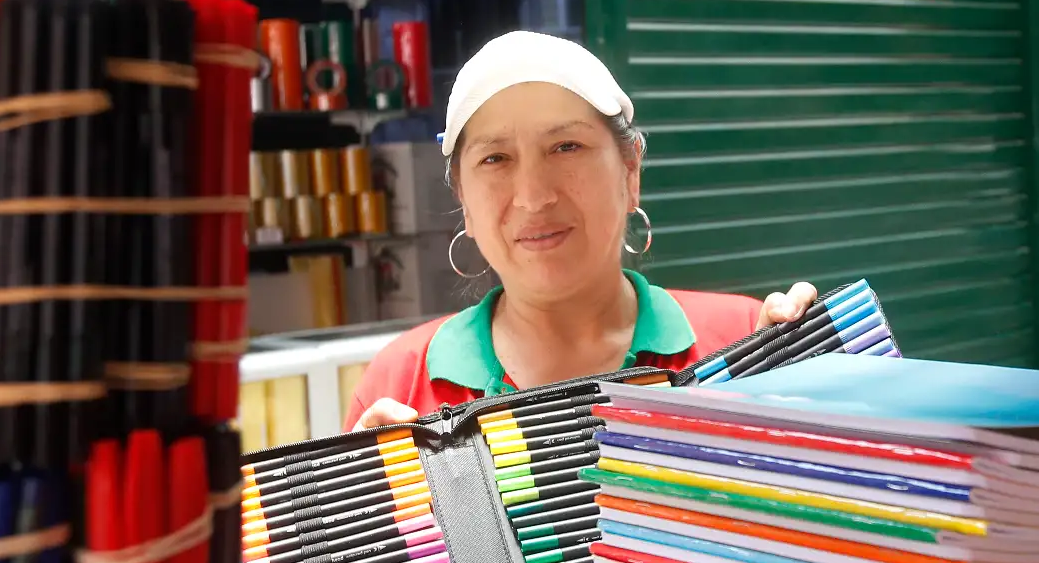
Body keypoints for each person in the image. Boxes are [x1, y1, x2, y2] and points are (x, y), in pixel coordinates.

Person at [347, 32, 815, 430]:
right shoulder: (399, 384)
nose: (533, 196)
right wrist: (373, 518)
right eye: (495, 158)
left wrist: (815, 410)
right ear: (463, 202)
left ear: (631, 172)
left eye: (566, 146)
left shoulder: (743, 344)